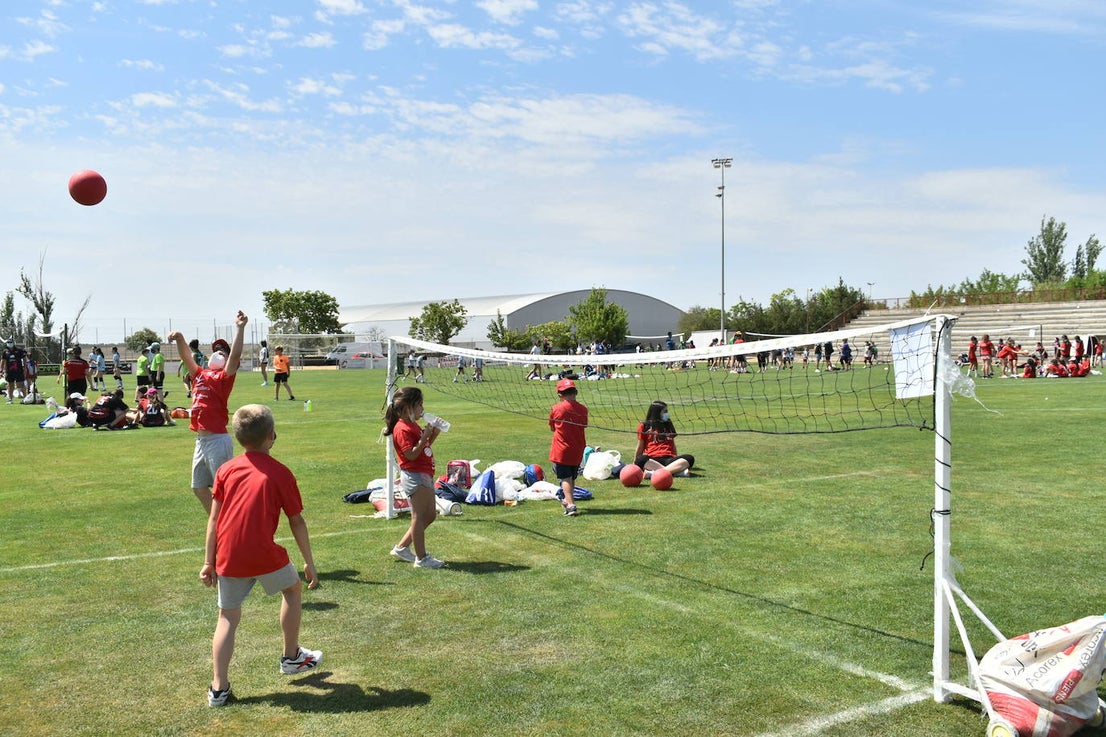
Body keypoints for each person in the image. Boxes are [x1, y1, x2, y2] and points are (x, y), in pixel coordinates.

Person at [201, 403, 321, 707]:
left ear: (238, 437)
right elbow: (297, 521)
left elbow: (213, 520)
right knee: (293, 589)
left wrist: (208, 561)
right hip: (263, 552)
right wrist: (309, 561)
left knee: (227, 616)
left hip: (228, 553)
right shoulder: (280, 473)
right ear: (272, 435)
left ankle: (218, 688)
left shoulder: (226, 469)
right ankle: (291, 656)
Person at [169, 311, 248, 514]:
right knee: (198, 487)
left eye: (223, 351)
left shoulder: (224, 377)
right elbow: (186, 356)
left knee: (225, 488)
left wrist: (240, 328)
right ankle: (219, 521)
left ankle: (233, 522)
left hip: (217, 440)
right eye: (216, 349)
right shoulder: (200, 374)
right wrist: (180, 337)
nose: (218, 352)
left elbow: (237, 355)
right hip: (201, 440)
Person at [383, 386, 444, 568]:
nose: (422, 410)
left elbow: (423, 448)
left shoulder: (412, 424)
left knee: (430, 515)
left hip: (424, 472)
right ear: (409, 407)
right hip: (415, 475)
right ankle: (422, 558)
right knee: (418, 516)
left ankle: (402, 547)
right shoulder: (401, 428)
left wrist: (432, 435)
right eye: (420, 406)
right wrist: (425, 434)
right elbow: (410, 455)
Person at [548, 378, 588, 517]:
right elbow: (584, 425)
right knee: (571, 476)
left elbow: (552, 427)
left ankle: (571, 505)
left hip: (562, 449)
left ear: (560, 394)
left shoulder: (556, 408)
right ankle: (567, 499)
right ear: (576, 392)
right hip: (578, 447)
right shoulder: (583, 409)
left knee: (565, 478)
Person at [633, 400, 694, 478]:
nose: (667, 413)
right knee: (640, 459)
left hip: (669, 459)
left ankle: (653, 473)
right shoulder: (644, 426)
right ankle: (676, 472)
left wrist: (676, 459)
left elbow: (673, 444)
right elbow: (640, 447)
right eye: (665, 411)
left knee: (690, 458)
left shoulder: (668, 424)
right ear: (657, 413)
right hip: (653, 459)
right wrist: (635, 463)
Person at [3, 338, 29, 404]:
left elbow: (24, 359)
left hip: (19, 371)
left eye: (10, 342)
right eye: (8, 342)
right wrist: (4, 371)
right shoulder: (5, 351)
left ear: (13, 343)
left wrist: (25, 368)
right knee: (10, 385)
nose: (9, 343)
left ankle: (25, 398)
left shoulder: (19, 350)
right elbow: (4, 361)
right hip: (9, 371)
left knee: (21, 384)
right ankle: (10, 399)